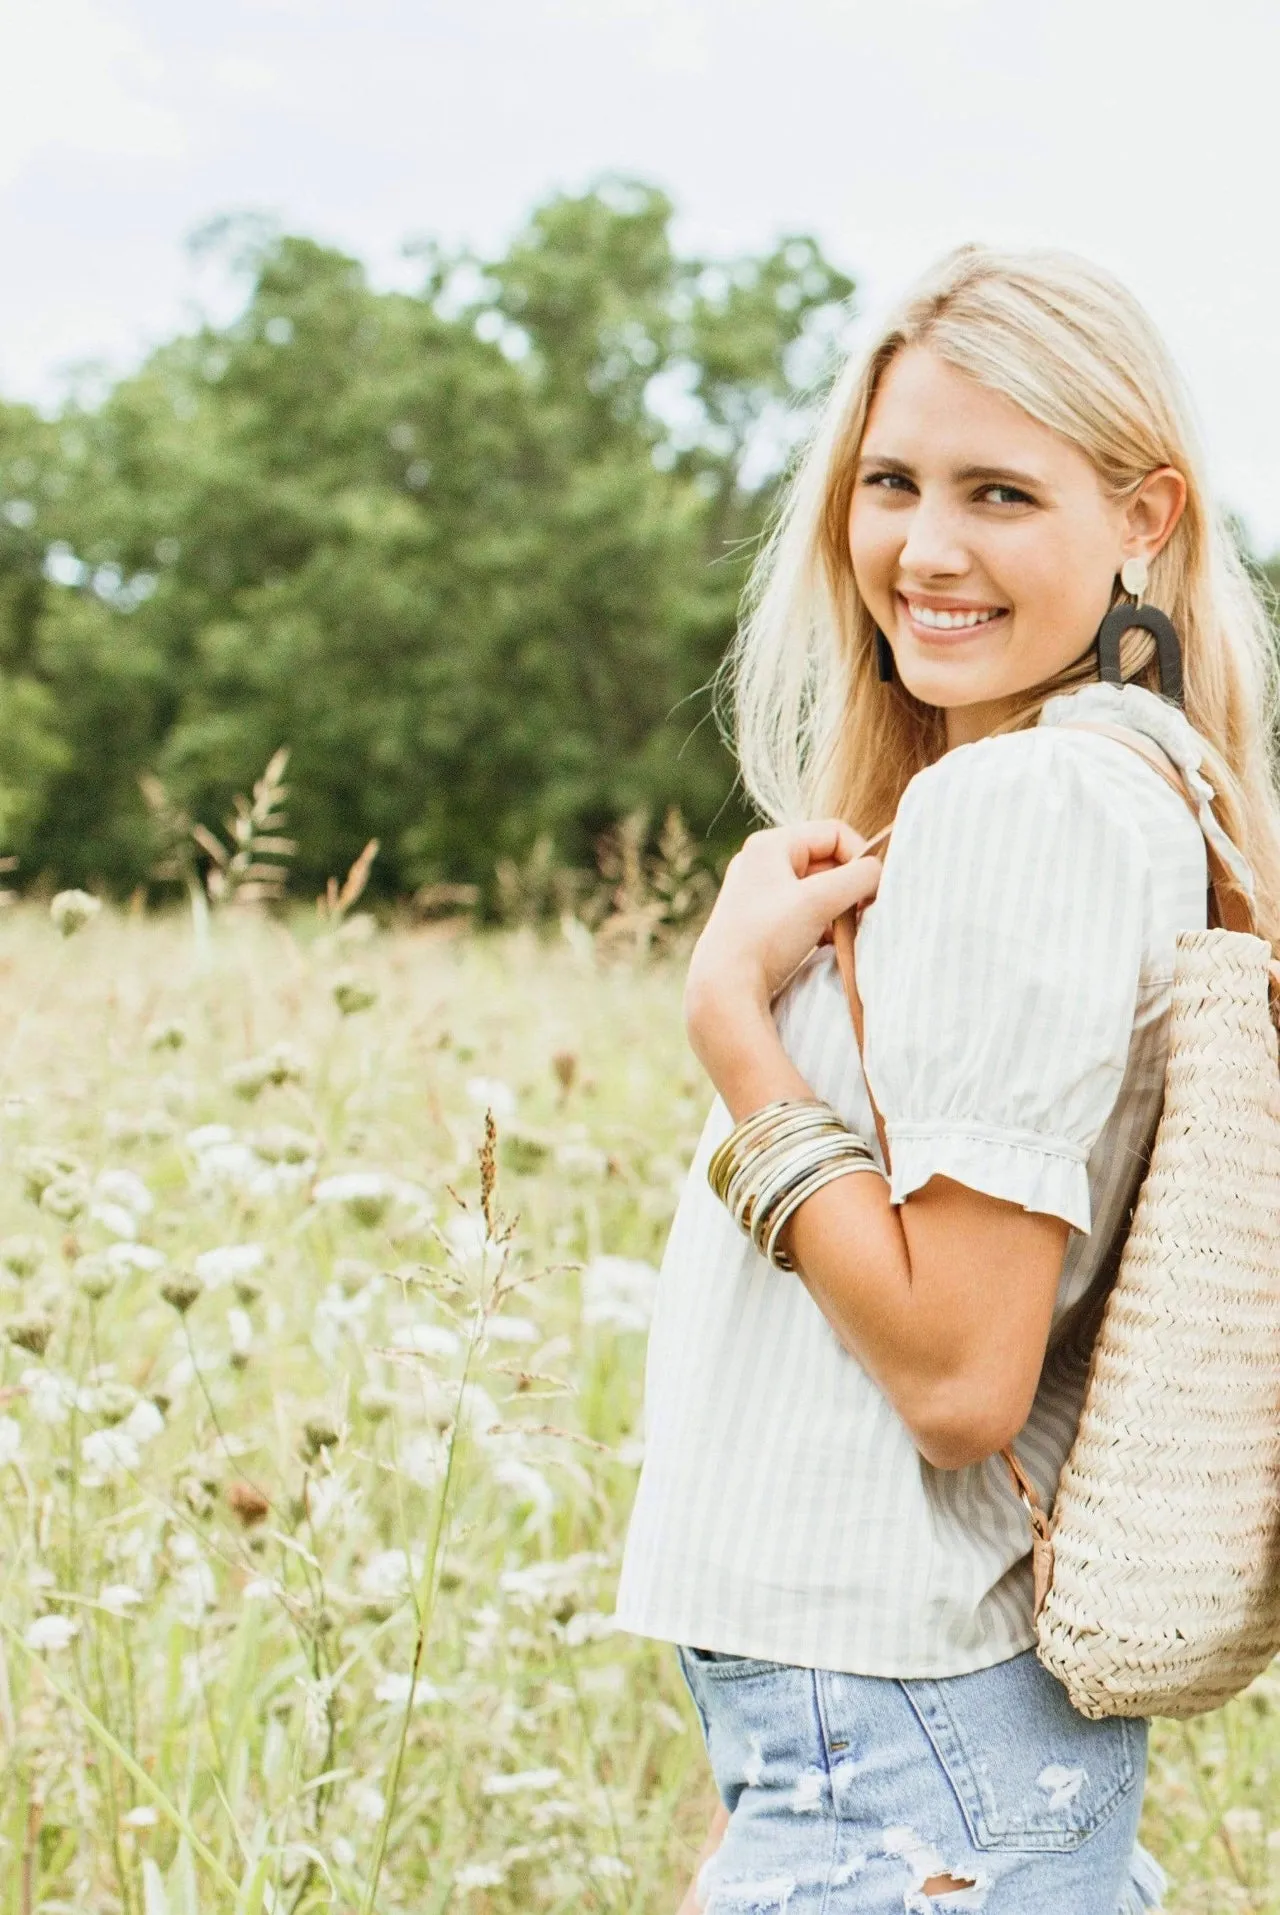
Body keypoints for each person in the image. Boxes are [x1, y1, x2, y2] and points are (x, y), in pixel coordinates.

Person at [612, 244, 1280, 1914]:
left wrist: (735, 1025)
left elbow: (960, 1373)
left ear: (1146, 518)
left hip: (900, 1770)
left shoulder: (1032, 808)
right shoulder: (1130, 791)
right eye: (890, 481)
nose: (926, 549)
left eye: (1000, 491)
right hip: (897, 1761)